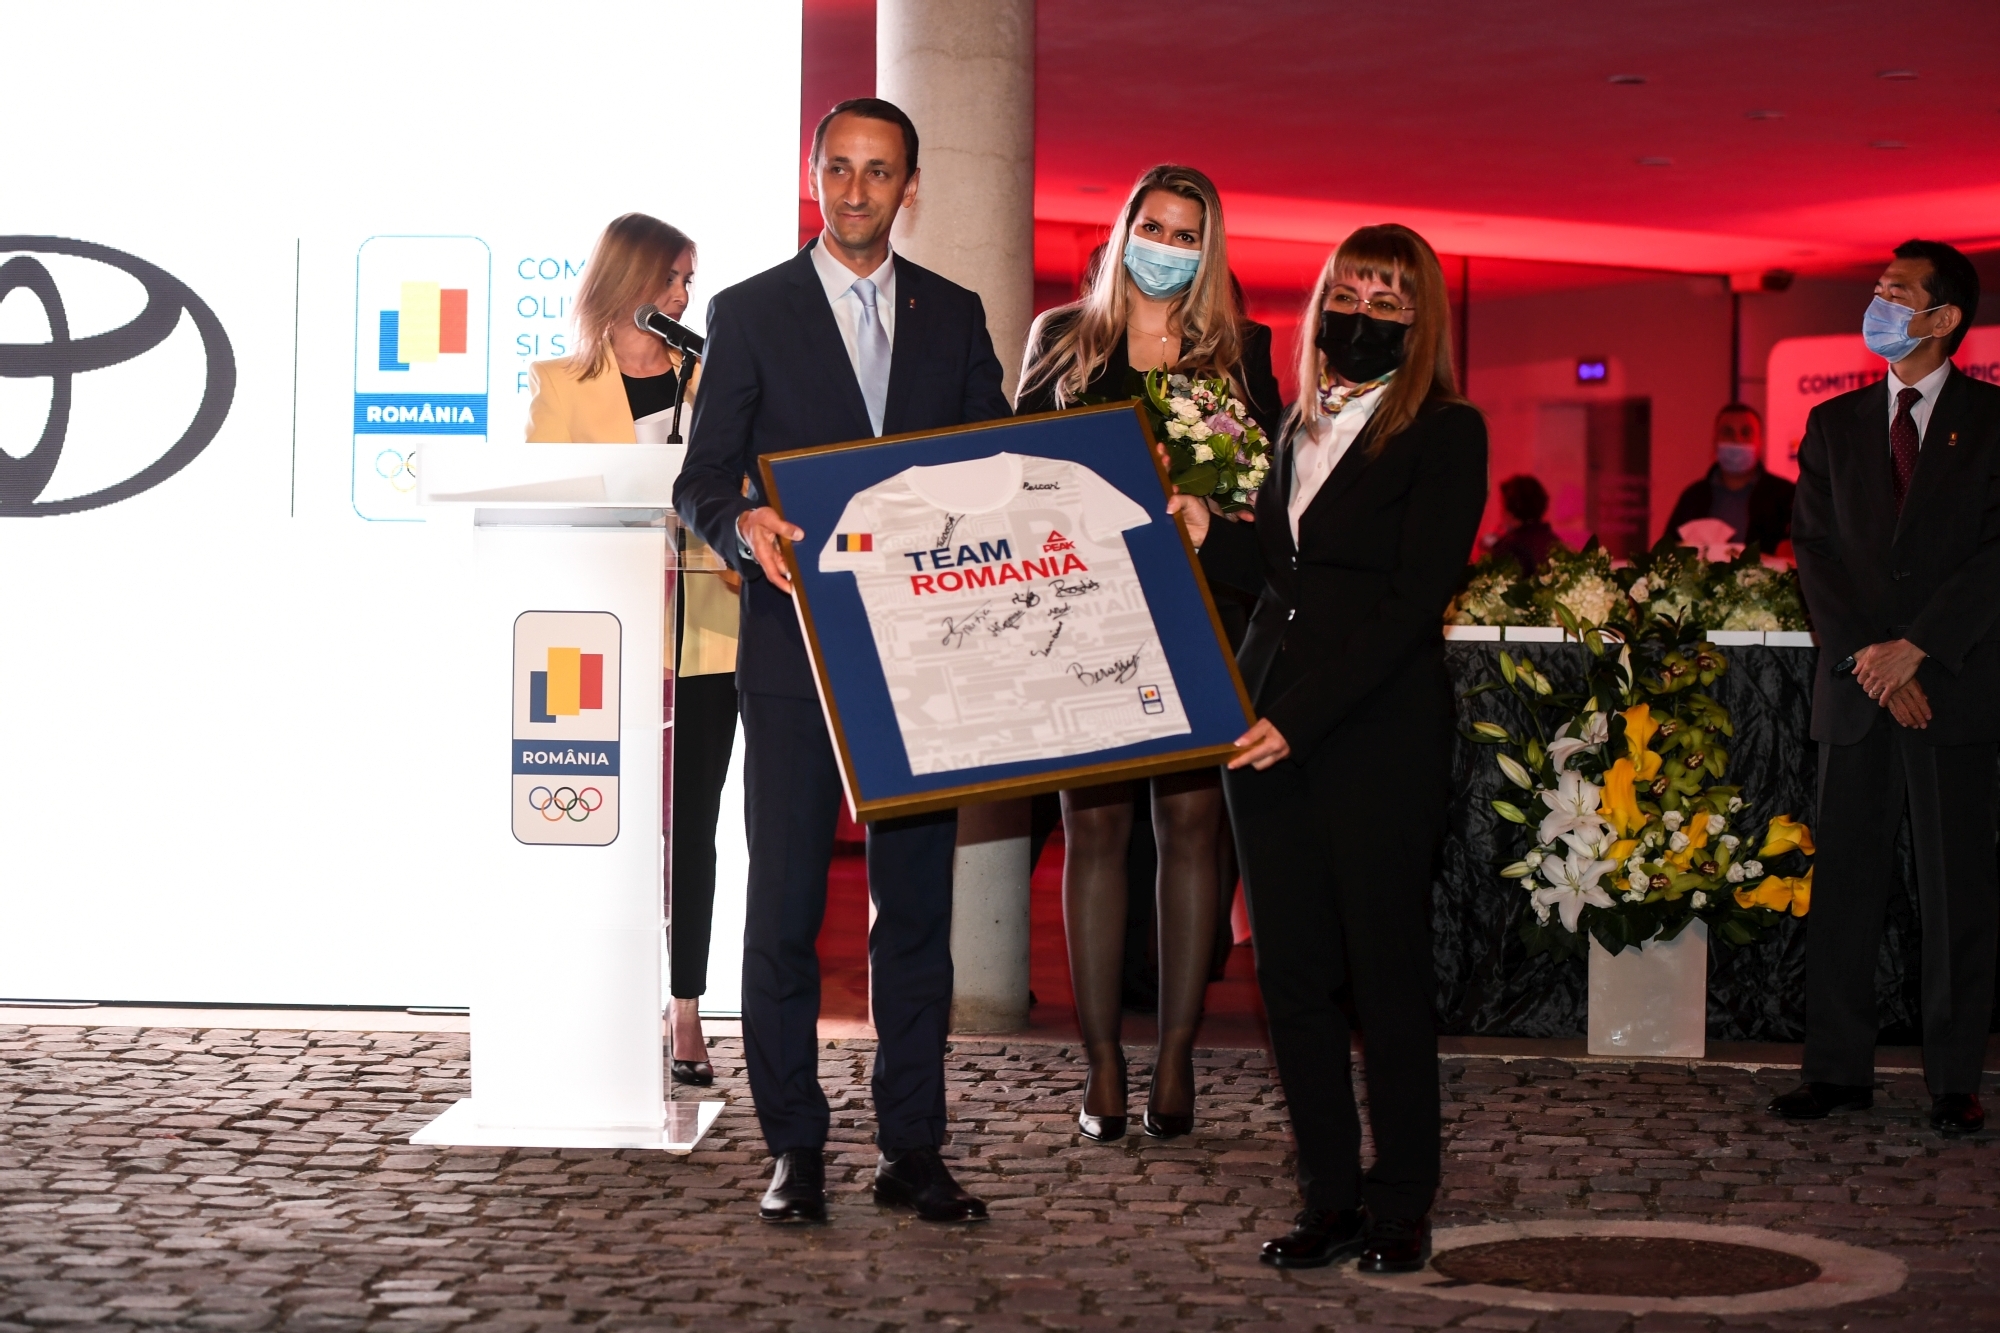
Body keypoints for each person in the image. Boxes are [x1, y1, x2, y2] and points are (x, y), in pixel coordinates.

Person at [672, 97, 1011, 1224]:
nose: (857, 190)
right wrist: (741, 524)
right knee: (781, 910)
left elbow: (994, 463)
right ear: (813, 175)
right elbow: (702, 477)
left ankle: (912, 1147)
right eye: (840, 168)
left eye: (879, 171)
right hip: (792, 653)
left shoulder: (954, 314)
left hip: (922, 660)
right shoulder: (749, 310)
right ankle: (794, 1147)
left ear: (909, 186)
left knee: (914, 915)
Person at [1173, 225, 1487, 1273]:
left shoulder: (1447, 430)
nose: (1362, 314)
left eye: (1388, 302)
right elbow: (1283, 577)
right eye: (1348, 294)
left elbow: (1410, 602)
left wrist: (1300, 716)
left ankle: (1401, 1200)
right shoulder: (1292, 423)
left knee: (1384, 979)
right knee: (1292, 979)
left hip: (1374, 733)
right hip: (1261, 727)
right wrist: (1204, 530)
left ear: (1421, 320)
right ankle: (1329, 1197)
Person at [1015, 165, 1279, 1146]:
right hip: (1081, 614)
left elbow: (1269, 496)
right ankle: (1100, 1064)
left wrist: (1212, 503)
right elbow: (1009, 476)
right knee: (1093, 832)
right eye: (1152, 227)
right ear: (1124, 228)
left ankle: (1174, 1055)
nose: (1164, 247)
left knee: (1192, 829)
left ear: (1208, 248)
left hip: (1201, 612)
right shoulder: (1061, 338)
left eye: (1184, 234)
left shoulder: (1239, 350)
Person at [1774, 238, 2000, 1137]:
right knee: (1845, 890)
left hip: (1951, 686)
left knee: (1956, 892)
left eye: (1898, 292)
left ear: (1944, 317)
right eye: (1878, 288)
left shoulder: (1992, 421)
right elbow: (1815, 550)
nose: (1880, 303)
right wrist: (1874, 657)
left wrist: (1919, 649)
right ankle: (1836, 1071)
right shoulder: (1834, 423)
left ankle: (1954, 1079)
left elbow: (1993, 554)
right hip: (1859, 689)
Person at [522, 214, 734, 1083]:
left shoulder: (711, 380)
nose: (683, 296)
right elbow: (546, 501)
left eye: (689, 280)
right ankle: (603, 1000)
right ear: (627, 280)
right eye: (671, 278)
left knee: (693, 827)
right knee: (612, 826)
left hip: (707, 629)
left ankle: (686, 1008)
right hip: (602, 640)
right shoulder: (560, 384)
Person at [1660, 403, 1795, 552]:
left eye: (1746, 432)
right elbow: (1667, 552)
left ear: (1760, 442)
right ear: (1715, 441)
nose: (1737, 439)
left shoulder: (1786, 496)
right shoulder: (1693, 497)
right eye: (1728, 432)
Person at [1485, 474, 1562, 573]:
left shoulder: (1510, 548)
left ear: (1511, 510)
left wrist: (1493, 551)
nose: (1501, 512)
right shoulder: (1555, 542)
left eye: (1503, 506)